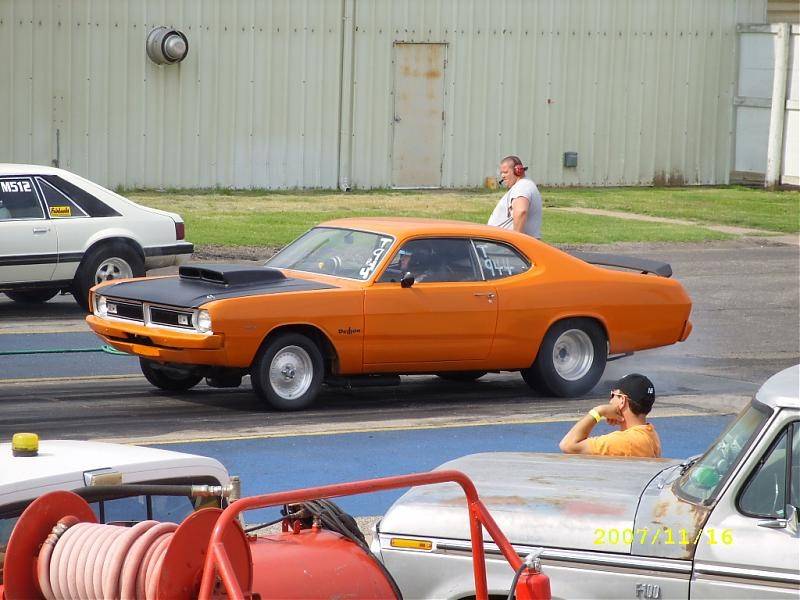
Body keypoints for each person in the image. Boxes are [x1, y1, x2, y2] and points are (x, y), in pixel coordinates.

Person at [559, 374, 662, 458]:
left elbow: (568, 445)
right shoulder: (651, 434)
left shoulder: (625, 441)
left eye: (613, 395)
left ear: (622, 401)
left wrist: (598, 412)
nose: (610, 401)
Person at [487, 155, 542, 238]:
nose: (502, 176)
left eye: (505, 172)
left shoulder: (522, 186)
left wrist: (516, 241)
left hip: (506, 248)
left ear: (518, 171)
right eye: (501, 173)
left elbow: (521, 211)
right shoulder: (523, 185)